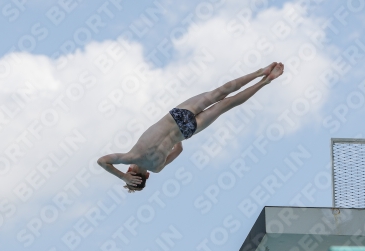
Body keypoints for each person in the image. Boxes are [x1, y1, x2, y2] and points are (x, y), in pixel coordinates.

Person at [97, 62, 284, 192]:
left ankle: (265, 81)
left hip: (187, 131)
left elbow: (179, 149)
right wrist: (122, 178)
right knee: (219, 93)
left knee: (227, 104)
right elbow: (102, 161)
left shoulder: (157, 167)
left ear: (147, 177)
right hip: (177, 116)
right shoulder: (131, 156)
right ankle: (261, 71)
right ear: (130, 171)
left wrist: (171, 142)